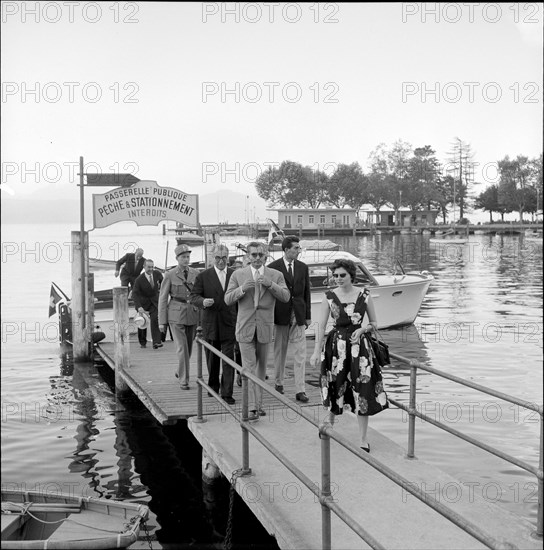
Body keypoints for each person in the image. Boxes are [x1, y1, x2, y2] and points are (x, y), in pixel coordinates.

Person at [310, 258, 388, 453]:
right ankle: (330, 421)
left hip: (360, 348)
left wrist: (362, 330)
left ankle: (362, 438)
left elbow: (375, 323)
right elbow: (320, 326)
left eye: (342, 275)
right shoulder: (329, 296)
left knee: (363, 388)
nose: (338, 278)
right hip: (336, 348)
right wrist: (315, 351)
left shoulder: (365, 295)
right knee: (334, 384)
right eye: (335, 275)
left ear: (351, 275)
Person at [224, 242, 290, 421]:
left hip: (265, 327)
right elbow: (227, 299)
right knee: (248, 367)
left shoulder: (276, 275)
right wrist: (242, 289)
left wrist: (270, 285)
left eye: (260, 255)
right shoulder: (238, 274)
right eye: (253, 255)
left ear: (266, 256)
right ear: (247, 257)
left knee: (261, 369)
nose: (257, 258)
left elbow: (285, 296)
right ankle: (252, 407)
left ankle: (258, 404)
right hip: (245, 327)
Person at [190, 244, 237, 404]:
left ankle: (227, 392)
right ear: (212, 258)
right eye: (218, 258)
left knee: (229, 358)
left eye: (224, 258)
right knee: (212, 359)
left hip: (230, 322)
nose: (221, 261)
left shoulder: (235, 275)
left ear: (228, 257)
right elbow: (193, 297)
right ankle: (213, 386)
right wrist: (203, 301)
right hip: (210, 323)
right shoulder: (203, 276)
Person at [267, 236, 311, 402]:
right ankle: (279, 383)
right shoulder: (272, 267)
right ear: (286, 250)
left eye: (299, 248)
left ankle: (300, 390)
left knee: (300, 353)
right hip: (280, 315)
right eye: (296, 248)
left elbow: (307, 292)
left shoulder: (303, 267)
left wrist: (307, 316)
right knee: (280, 351)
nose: (298, 251)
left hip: (298, 314)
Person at [159, 244, 200, 389]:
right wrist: (162, 322)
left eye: (188, 257)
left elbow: (199, 295)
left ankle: (179, 370)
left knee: (188, 347)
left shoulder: (196, 273)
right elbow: (163, 299)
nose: (186, 259)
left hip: (192, 313)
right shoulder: (170, 275)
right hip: (176, 314)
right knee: (182, 348)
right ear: (177, 258)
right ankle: (184, 380)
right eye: (183, 257)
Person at [132, 259, 164, 349]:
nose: (151, 269)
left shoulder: (157, 274)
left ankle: (156, 342)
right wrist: (139, 307)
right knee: (142, 321)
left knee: (155, 319)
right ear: (144, 267)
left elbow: (164, 284)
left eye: (152, 267)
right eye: (149, 267)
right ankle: (142, 342)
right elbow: (134, 294)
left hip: (154, 302)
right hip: (143, 303)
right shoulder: (139, 279)